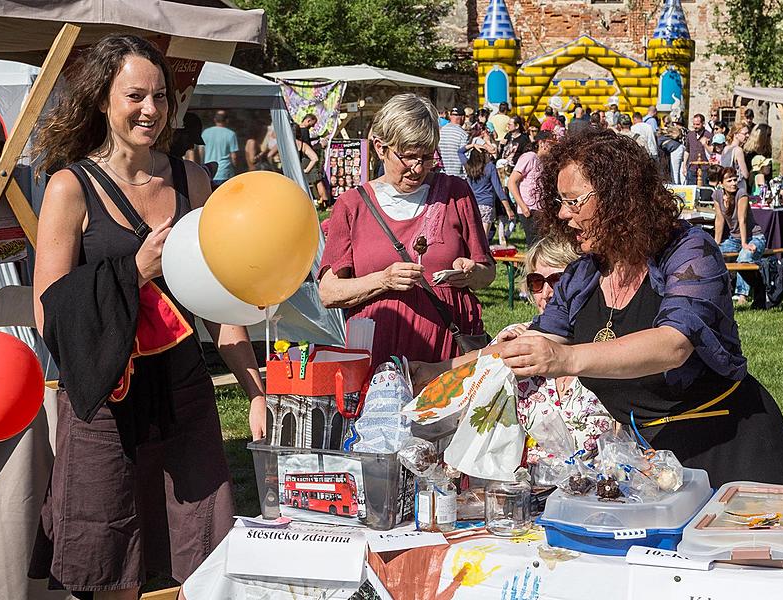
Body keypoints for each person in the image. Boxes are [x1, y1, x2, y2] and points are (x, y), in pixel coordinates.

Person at [414, 128, 783, 488]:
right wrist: (438, 371)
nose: (563, 214)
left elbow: (672, 346)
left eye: (573, 202)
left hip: (731, 453)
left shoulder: (689, 252)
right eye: (559, 203)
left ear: (618, 197)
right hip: (652, 462)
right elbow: (535, 343)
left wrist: (565, 358)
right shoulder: (585, 273)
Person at [28, 35, 266, 599]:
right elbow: (48, 314)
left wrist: (255, 389)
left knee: (202, 550)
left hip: (183, 391)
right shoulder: (70, 187)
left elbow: (218, 303)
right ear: (103, 100)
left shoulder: (192, 181)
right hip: (106, 398)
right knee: (111, 557)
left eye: (161, 96)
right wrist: (133, 270)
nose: (151, 110)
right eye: (136, 96)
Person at [318, 94, 495, 366]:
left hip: (449, 355)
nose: (418, 168)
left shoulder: (454, 194)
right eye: (409, 157)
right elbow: (328, 292)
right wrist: (383, 280)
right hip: (377, 354)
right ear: (381, 148)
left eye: (426, 158)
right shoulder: (351, 205)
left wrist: (471, 273)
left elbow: (487, 272)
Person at [495, 236, 614, 455]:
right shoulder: (513, 338)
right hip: (525, 482)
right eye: (537, 282)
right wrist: (500, 363)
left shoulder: (608, 344)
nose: (548, 294)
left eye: (558, 280)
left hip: (598, 482)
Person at [714, 166, 766, 305]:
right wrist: (716, 243)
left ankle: (742, 294)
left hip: (754, 237)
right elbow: (719, 220)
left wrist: (744, 244)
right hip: (733, 239)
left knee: (744, 258)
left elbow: (742, 219)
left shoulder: (741, 194)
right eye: (729, 180)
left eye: (734, 179)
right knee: (713, 254)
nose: (733, 183)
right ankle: (717, 292)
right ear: (721, 183)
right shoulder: (717, 195)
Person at [508, 131, 555, 247]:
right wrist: (523, 207)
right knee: (534, 244)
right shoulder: (529, 157)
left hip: (540, 208)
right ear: (541, 143)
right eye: (550, 144)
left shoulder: (544, 161)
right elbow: (512, 182)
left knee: (542, 244)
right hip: (529, 209)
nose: (552, 148)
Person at [460, 145, 513, 237]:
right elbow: (498, 189)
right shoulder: (490, 167)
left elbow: (460, 152)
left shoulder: (468, 167)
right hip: (486, 205)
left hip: (472, 204)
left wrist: (473, 145)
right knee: (483, 238)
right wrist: (508, 209)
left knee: (473, 237)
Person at [199, 109, 238, 185]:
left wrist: (201, 165)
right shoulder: (231, 134)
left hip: (209, 170)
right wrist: (236, 168)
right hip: (225, 171)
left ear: (215, 120)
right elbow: (234, 156)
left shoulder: (206, 132)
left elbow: (201, 151)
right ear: (227, 120)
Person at [438, 106, 468, 179]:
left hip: (442, 173)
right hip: (458, 176)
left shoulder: (441, 131)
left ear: (450, 116)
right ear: (463, 117)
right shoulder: (463, 134)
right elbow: (465, 156)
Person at [684, 113, 710, 185]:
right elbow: (687, 151)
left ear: (703, 123)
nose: (695, 126)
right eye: (694, 124)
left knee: (703, 191)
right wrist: (684, 166)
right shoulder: (690, 134)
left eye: (697, 124)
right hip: (691, 167)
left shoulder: (708, 135)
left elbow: (712, 152)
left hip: (705, 168)